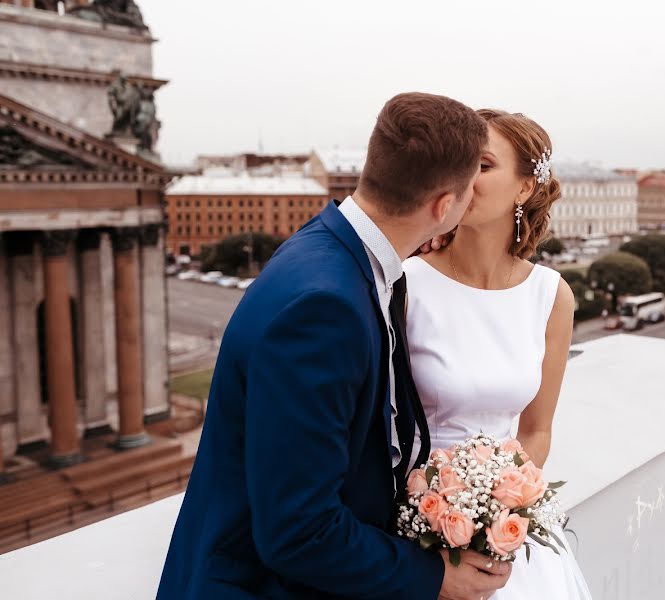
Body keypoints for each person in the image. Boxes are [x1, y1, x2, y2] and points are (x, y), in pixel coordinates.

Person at [156, 92, 512, 599]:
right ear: (443, 206)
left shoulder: (336, 250)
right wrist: (434, 577)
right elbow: (298, 531)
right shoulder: (325, 309)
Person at [405, 109, 592, 598]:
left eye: (483, 165)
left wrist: (496, 515)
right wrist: (437, 518)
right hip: (411, 529)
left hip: (504, 541)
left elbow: (537, 429)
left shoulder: (551, 296)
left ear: (526, 187)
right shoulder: (407, 284)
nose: (465, 178)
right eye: (460, 163)